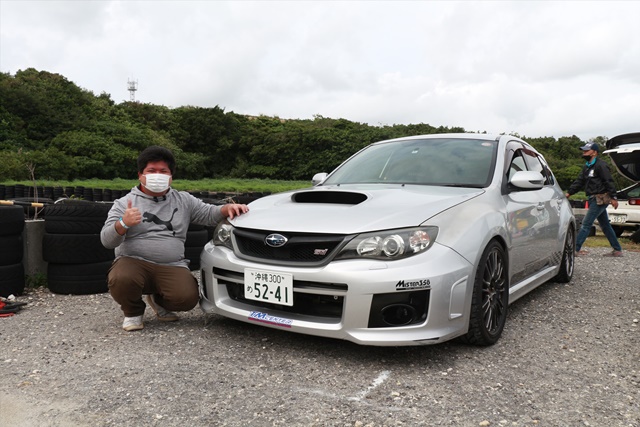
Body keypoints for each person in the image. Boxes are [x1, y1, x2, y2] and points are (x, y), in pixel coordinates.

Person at [100, 146, 249, 331]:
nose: (157, 175)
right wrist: (123, 223)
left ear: (171, 176)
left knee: (187, 298)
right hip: (133, 262)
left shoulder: (183, 200)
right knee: (121, 278)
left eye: (163, 171)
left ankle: (159, 301)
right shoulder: (124, 203)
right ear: (140, 175)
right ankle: (133, 312)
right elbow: (107, 240)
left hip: (171, 264)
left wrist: (227, 209)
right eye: (151, 171)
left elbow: (209, 214)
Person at [565, 141, 623, 257]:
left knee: (586, 224)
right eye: (584, 150)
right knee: (605, 225)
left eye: (587, 150)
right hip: (592, 198)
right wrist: (569, 193)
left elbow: (608, 181)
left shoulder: (601, 165)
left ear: (594, 152)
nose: (584, 152)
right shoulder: (587, 167)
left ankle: (575, 249)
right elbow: (579, 181)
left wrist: (613, 197)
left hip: (600, 199)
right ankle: (617, 250)